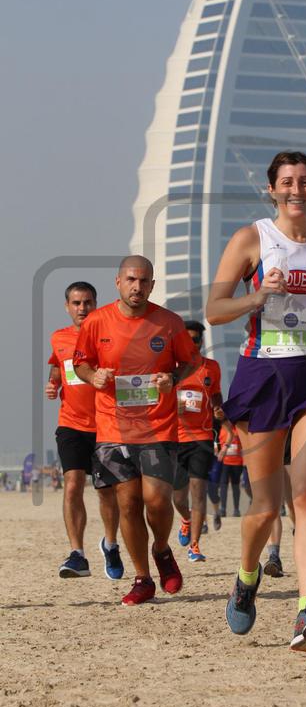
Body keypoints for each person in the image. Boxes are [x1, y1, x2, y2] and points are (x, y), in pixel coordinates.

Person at [206, 150, 306, 651]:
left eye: (305, 181)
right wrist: (257, 296)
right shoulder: (251, 239)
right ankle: (246, 576)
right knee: (264, 504)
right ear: (272, 189)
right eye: (287, 182)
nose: (297, 190)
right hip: (264, 372)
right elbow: (215, 310)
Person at [73, 256, 199, 605]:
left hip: (157, 426)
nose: (137, 287)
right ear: (118, 282)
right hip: (112, 426)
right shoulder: (96, 322)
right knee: (127, 503)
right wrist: (93, 376)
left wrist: (172, 378)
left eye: (144, 281)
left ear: (152, 285)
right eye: (131, 280)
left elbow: (192, 361)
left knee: (157, 500)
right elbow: (81, 363)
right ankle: (142, 578)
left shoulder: (169, 323)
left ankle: (162, 550)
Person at [46, 281, 122, 579]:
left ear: (95, 304)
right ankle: (77, 554)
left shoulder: (107, 335)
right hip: (71, 423)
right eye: (76, 303)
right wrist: (53, 384)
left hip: (105, 424)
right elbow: (57, 365)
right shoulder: (59, 337)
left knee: (107, 492)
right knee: (72, 483)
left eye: (87, 302)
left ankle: (111, 544)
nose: (82, 308)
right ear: (67, 306)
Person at [173, 320, 223, 563]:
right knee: (178, 498)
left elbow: (216, 395)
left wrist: (218, 409)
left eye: (195, 340)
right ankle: (186, 519)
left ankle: (195, 545)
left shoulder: (211, 367)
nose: (192, 344)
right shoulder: (171, 367)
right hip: (175, 437)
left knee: (199, 492)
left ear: (202, 342)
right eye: (187, 339)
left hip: (201, 438)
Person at [263, 429, 296, 578]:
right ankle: (274, 557)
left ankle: (300, 532)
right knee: (272, 507)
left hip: (291, 451)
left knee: (293, 505)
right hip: (267, 450)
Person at [218, 422, 244, 517]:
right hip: (224, 462)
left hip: (237, 462)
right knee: (223, 485)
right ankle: (223, 509)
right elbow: (217, 443)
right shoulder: (222, 428)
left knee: (235, 486)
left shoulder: (238, 429)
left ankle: (236, 509)